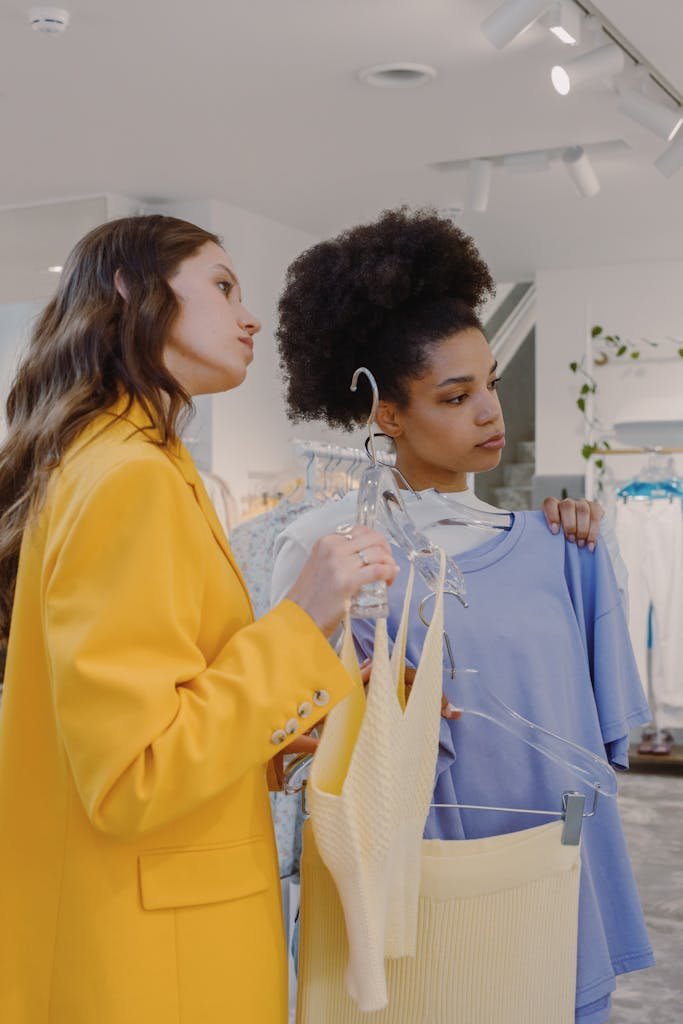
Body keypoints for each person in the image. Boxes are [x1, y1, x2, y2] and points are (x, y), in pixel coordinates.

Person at [0, 215, 399, 1024]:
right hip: (154, 957)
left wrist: (278, 733)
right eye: (222, 286)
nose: (250, 319)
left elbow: (145, 715)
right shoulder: (129, 478)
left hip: (132, 930)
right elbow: (134, 774)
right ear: (131, 290)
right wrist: (301, 619)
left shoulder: (128, 462)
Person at [271, 208, 653, 1024]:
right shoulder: (332, 552)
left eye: (490, 385)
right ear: (387, 415)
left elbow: (599, 744)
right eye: (455, 395)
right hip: (418, 896)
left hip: (553, 877)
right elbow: (283, 731)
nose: (489, 413)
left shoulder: (564, 547)